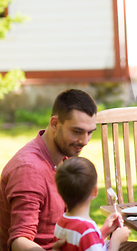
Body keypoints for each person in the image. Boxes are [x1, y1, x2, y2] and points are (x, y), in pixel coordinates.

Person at [0, 89, 97, 251]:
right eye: (77, 131)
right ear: (54, 124)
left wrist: (104, 231)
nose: (84, 141)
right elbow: (19, 241)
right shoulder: (29, 169)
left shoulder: (63, 157)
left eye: (90, 132)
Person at [54, 157, 130, 251]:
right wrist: (116, 240)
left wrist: (104, 232)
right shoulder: (86, 229)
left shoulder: (61, 222)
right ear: (94, 191)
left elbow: (85, 246)